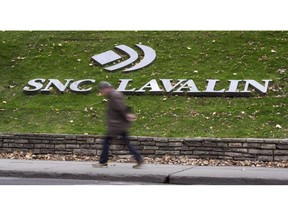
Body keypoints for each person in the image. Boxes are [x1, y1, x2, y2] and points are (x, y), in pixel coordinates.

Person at [92, 81, 144, 169]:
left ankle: (103, 162)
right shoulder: (113, 95)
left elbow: (121, 109)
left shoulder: (114, 95)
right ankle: (139, 159)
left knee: (106, 142)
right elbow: (122, 108)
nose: (102, 92)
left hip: (116, 125)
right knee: (126, 143)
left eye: (102, 90)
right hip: (118, 124)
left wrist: (127, 116)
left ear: (107, 88)